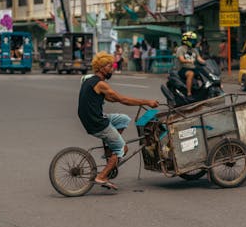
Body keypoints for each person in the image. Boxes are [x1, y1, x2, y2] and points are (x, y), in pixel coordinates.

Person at [77, 51, 159, 190]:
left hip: (91, 118)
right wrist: (147, 102)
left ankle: (111, 150)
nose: (112, 69)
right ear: (102, 68)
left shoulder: (89, 80)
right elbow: (122, 99)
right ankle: (101, 177)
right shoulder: (101, 84)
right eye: (110, 66)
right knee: (122, 148)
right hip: (97, 122)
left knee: (123, 119)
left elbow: (111, 98)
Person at [176, 31, 206, 97]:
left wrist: (206, 62)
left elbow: (199, 59)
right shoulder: (180, 49)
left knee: (205, 72)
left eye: (194, 40)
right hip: (183, 69)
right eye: (192, 40)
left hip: (193, 68)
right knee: (191, 74)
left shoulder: (194, 50)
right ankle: (189, 92)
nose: (194, 42)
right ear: (186, 40)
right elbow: (181, 59)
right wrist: (189, 61)